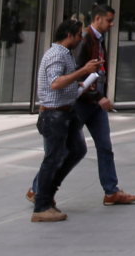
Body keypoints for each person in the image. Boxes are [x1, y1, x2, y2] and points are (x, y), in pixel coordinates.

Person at [29, 19, 101, 223]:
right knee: (53, 158)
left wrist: (78, 83)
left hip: (65, 112)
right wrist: (83, 71)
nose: (81, 39)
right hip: (54, 115)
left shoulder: (64, 54)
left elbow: (63, 81)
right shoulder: (56, 55)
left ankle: (47, 195)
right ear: (69, 35)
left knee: (76, 150)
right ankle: (41, 205)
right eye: (79, 35)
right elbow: (55, 83)